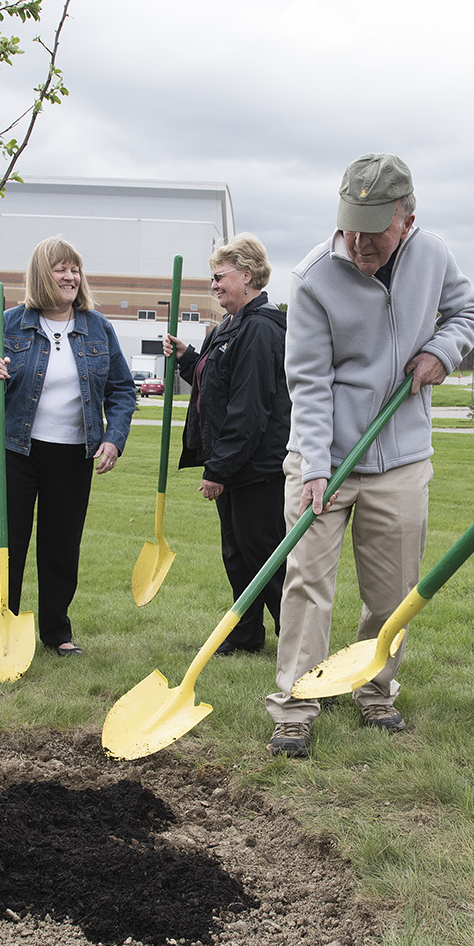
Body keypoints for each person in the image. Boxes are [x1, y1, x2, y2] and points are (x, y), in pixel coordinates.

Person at [267, 154, 474, 757]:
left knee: (393, 591)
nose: (359, 242)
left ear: (406, 221)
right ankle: (295, 707)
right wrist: (313, 465)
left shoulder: (433, 255)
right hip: (325, 458)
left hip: (402, 456)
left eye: (374, 229)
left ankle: (374, 690)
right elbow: (307, 381)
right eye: (351, 226)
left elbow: (468, 312)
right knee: (307, 583)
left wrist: (443, 350)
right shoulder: (314, 276)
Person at [0, 237, 136, 656]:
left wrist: (113, 439)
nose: (70, 276)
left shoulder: (98, 327)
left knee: (61, 543)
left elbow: (121, 390)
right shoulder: (9, 323)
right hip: (13, 450)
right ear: (42, 275)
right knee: (6, 540)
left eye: (75, 269)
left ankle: (56, 632)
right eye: (61, 269)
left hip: (73, 452)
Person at [163, 233, 290, 655]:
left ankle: (296, 639)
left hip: (257, 468)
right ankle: (247, 634)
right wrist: (186, 357)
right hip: (239, 466)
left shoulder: (259, 328)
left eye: (220, 277)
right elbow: (213, 384)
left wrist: (219, 469)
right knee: (237, 554)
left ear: (247, 275)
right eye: (211, 278)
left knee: (265, 557)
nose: (213, 285)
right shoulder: (232, 326)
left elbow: (248, 408)